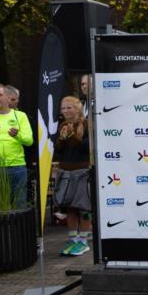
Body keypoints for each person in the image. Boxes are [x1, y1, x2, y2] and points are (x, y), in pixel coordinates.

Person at [52, 96, 92, 256]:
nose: (66, 111)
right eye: (63, 108)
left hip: (82, 171)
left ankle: (83, 241)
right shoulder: (62, 125)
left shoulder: (87, 124)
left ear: (77, 108)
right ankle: (74, 240)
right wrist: (61, 139)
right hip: (65, 170)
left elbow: (86, 147)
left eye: (69, 107)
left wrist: (72, 136)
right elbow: (59, 151)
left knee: (83, 207)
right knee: (69, 207)